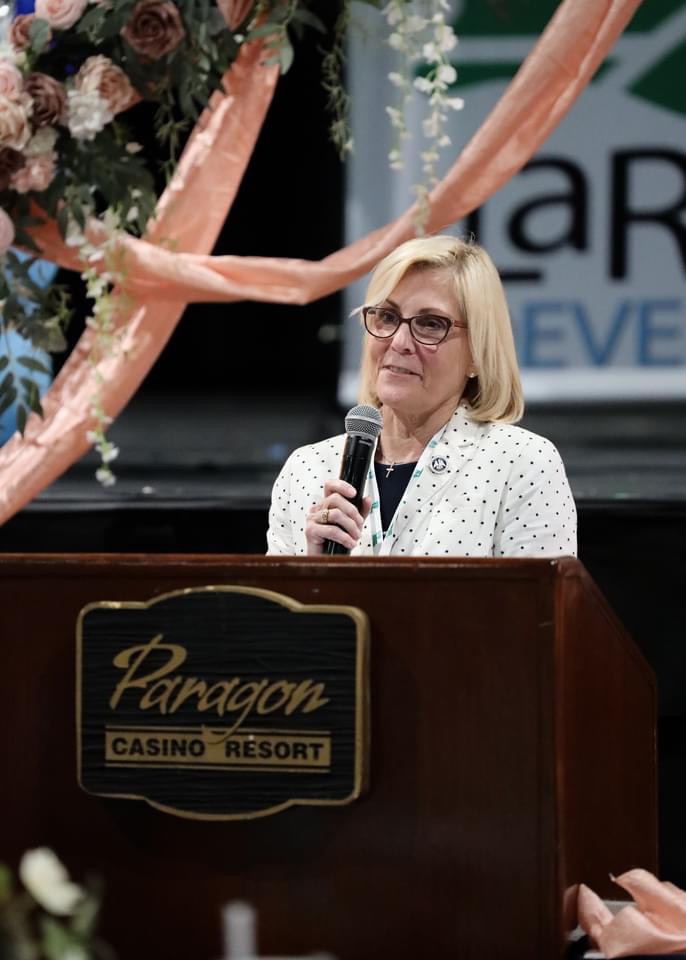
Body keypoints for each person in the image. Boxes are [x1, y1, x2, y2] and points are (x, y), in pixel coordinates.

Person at [267, 234, 577, 558]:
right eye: (387, 317)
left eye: (430, 324)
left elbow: (542, 593)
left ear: (477, 353)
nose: (399, 342)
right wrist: (314, 570)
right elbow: (269, 594)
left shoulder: (522, 463)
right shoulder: (306, 469)